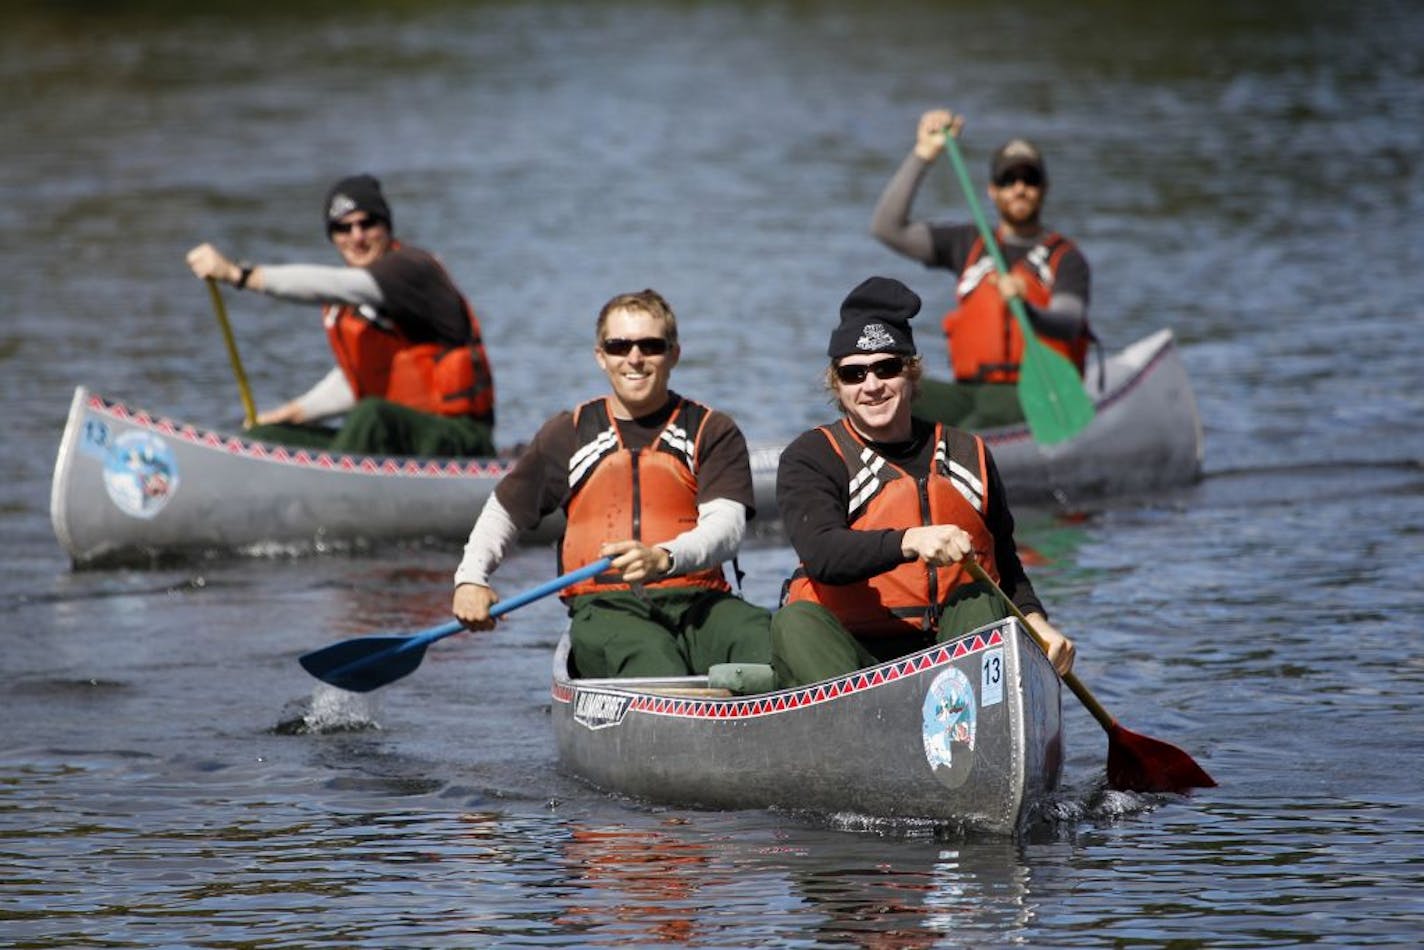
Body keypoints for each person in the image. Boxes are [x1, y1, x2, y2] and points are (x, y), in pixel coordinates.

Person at [770, 276, 1075, 688]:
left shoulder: (971, 454)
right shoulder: (812, 456)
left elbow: (1005, 562)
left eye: (887, 368)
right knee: (794, 621)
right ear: (837, 386)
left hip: (947, 655)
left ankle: (976, 719)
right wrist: (909, 540)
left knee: (981, 597)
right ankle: (853, 732)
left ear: (912, 375)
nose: (872, 385)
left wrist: (1037, 621)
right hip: (851, 652)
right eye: (854, 374)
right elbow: (823, 553)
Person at [451, 289, 772, 680]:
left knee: (765, 641)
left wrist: (664, 558)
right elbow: (503, 512)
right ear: (600, 356)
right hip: (607, 609)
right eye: (619, 346)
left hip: (702, 602)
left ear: (674, 354)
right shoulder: (567, 434)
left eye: (650, 345)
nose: (634, 358)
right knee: (651, 663)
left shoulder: (712, 430)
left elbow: (727, 527)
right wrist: (470, 580)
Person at [185, 173, 497, 457]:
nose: (357, 237)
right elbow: (358, 381)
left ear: (387, 226)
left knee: (371, 416)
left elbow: (335, 284)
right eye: (343, 228)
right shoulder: (352, 303)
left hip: (459, 440)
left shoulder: (410, 270)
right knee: (267, 435)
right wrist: (293, 413)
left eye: (368, 224)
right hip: (401, 443)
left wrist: (237, 275)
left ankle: (322, 504)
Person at [870, 109, 1093, 429]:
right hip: (969, 390)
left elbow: (1068, 323)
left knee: (978, 423)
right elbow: (886, 227)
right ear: (992, 190)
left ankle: (954, 456)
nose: (1019, 188)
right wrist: (923, 155)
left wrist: (1027, 309)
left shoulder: (1066, 258)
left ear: (1044, 188)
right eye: (1008, 179)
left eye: (1029, 179)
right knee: (893, 392)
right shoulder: (969, 243)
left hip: (1035, 392)